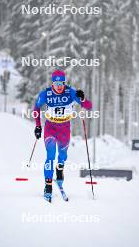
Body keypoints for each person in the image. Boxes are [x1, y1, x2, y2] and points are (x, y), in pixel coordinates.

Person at [33, 70, 92, 202]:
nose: (59, 86)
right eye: (56, 83)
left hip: (64, 129)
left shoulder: (71, 92)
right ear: (52, 83)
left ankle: (60, 168)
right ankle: (48, 186)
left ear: (64, 83)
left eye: (62, 83)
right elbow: (36, 108)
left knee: (63, 156)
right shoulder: (46, 94)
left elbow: (88, 106)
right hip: (50, 128)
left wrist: (82, 99)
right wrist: (38, 126)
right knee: (50, 155)